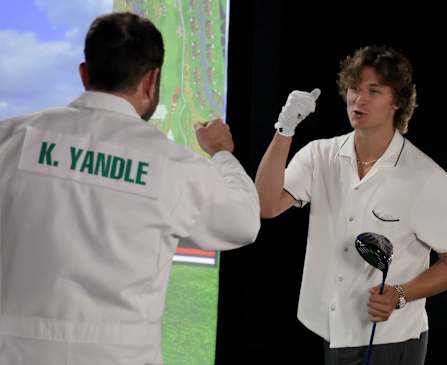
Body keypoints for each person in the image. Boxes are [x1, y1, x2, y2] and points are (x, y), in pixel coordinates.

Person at [0, 12, 260, 365]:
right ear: (152, 81)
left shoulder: (11, 138)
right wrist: (222, 154)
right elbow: (244, 222)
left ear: (84, 73)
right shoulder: (175, 165)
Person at [255, 45, 447, 365]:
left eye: (373, 91)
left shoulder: (425, 178)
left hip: (390, 339)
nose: (359, 99)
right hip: (330, 330)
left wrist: (400, 294)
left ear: (396, 100)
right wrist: (285, 128)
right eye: (354, 89)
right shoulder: (320, 156)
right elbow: (265, 204)